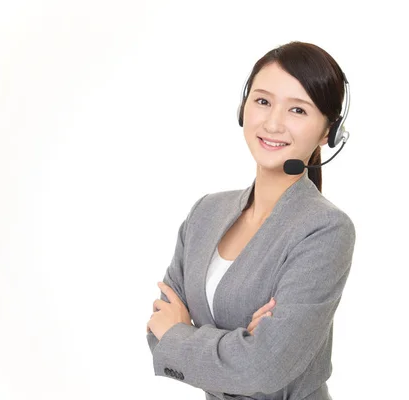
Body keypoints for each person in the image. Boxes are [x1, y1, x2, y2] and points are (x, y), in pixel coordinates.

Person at [146, 41, 356, 400]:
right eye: (262, 101)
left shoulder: (325, 229)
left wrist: (182, 335)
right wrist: (241, 347)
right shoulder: (205, 213)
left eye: (298, 110)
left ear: (328, 133)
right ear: (243, 108)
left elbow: (260, 370)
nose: (273, 123)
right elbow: (156, 329)